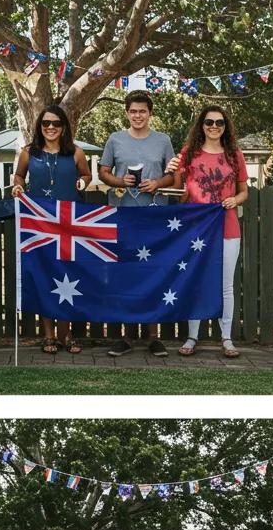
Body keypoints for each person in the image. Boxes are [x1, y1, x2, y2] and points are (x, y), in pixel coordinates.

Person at [165, 105, 249, 358]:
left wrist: (236, 200)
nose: (214, 126)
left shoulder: (235, 155)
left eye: (219, 123)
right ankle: (192, 336)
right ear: (201, 125)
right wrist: (172, 173)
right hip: (196, 228)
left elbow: (244, 191)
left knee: (225, 285)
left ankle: (227, 338)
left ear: (226, 127)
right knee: (196, 280)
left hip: (227, 226)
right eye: (209, 122)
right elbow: (180, 197)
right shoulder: (188, 154)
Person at [99, 90, 175, 358]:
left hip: (154, 216)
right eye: (133, 111)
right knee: (124, 273)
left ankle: (154, 336)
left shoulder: (163, 141)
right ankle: (126, 337)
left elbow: (172, 176)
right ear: (127, 113)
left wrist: (157, 183)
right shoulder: (115, 139)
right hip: (122, 216)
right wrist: (120, 182)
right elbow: (103, 172)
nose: (138, 115)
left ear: (150, 113)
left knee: (153, 272)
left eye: (143, 111)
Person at [11, 104, 91, 354]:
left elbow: (87, 175)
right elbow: (19, 176)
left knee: (68, 276)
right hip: (40, 224)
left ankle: (66, 335)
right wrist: (18, 186)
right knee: (45, 275)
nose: (50, 128)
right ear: (39, 127)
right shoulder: (28, 152)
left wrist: (83, 180)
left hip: (69, 224)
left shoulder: (76, 153)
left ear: (64, 126)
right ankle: (48, 336)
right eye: (46, 124)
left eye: (56, 123)